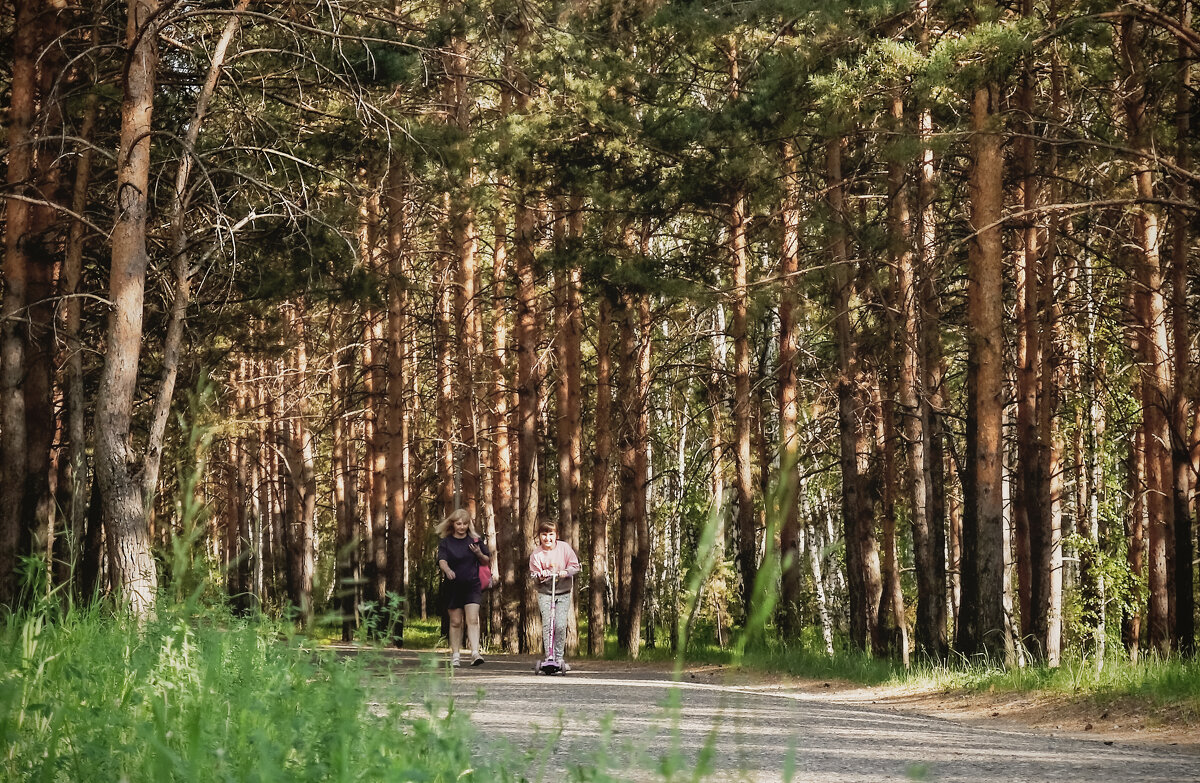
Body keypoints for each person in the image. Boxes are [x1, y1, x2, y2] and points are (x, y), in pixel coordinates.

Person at [436, 508, 490, 667]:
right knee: (455, 622)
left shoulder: (475, 541)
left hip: (472, 586)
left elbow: (486, 561)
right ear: (453, 524)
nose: (462, 527)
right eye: (459, 523)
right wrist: (447, 570)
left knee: (472, 619)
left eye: (465, 524)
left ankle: (475, 653)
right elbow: (442, 560)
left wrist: (479, 553)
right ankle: (456, 655)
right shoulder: (446, 542)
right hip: (453, 587)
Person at [528, 521, 580, 672]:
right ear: (539, 536)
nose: (547, 538)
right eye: (544, 534)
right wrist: (541, 575)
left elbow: (575, 566)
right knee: (548, 624)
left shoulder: (564, 548)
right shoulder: (536, 554)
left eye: (550, 534)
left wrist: (566, 571)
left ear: (556, 535)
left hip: (563, 592)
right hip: (545, 593)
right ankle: (548, 657)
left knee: (560, 624)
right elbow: (534, 574)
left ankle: (559, 657)